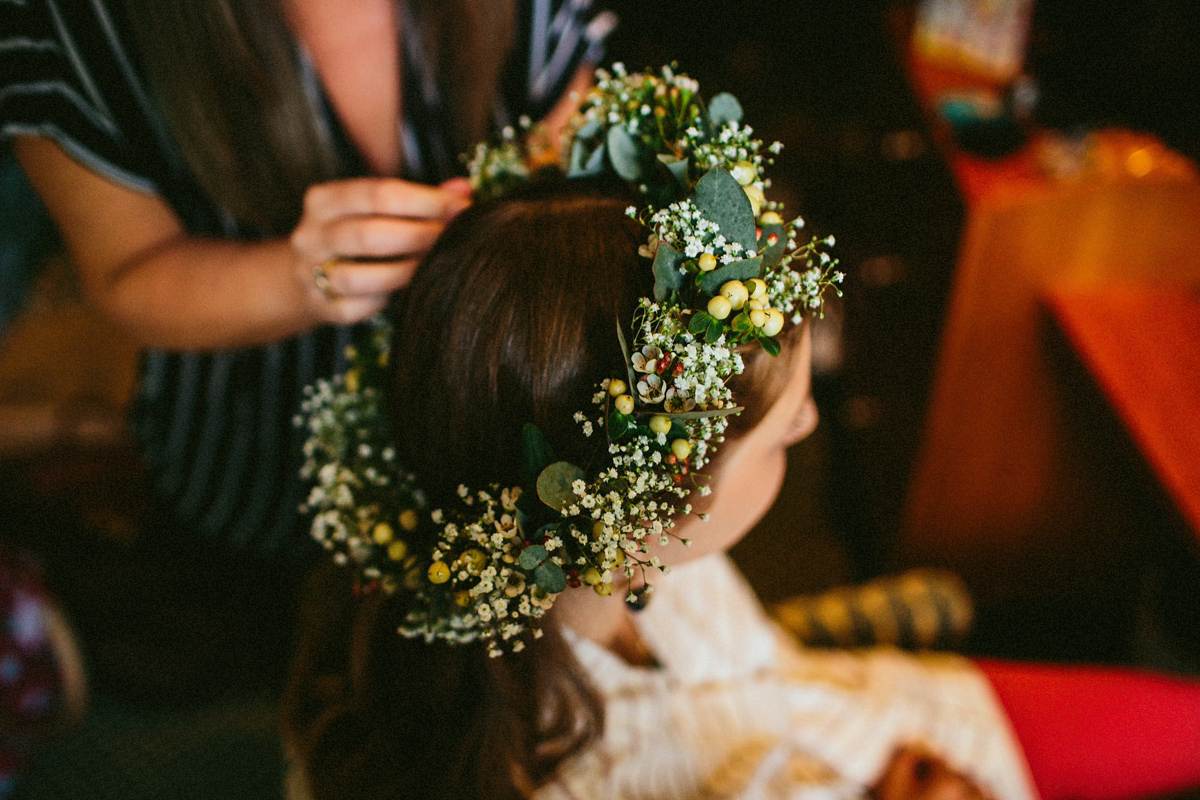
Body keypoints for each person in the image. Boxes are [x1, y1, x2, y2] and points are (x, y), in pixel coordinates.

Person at [280, 66, 1200, 798]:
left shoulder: (573, 533)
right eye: (779, 440)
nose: (807, 419)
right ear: (635, 526)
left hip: (860, 707)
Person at [1, 0, 614, 560]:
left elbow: (569, 109)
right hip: (263, 467)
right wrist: (298, 281)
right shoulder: (73, 27)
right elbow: (123, 275)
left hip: (509, 458)